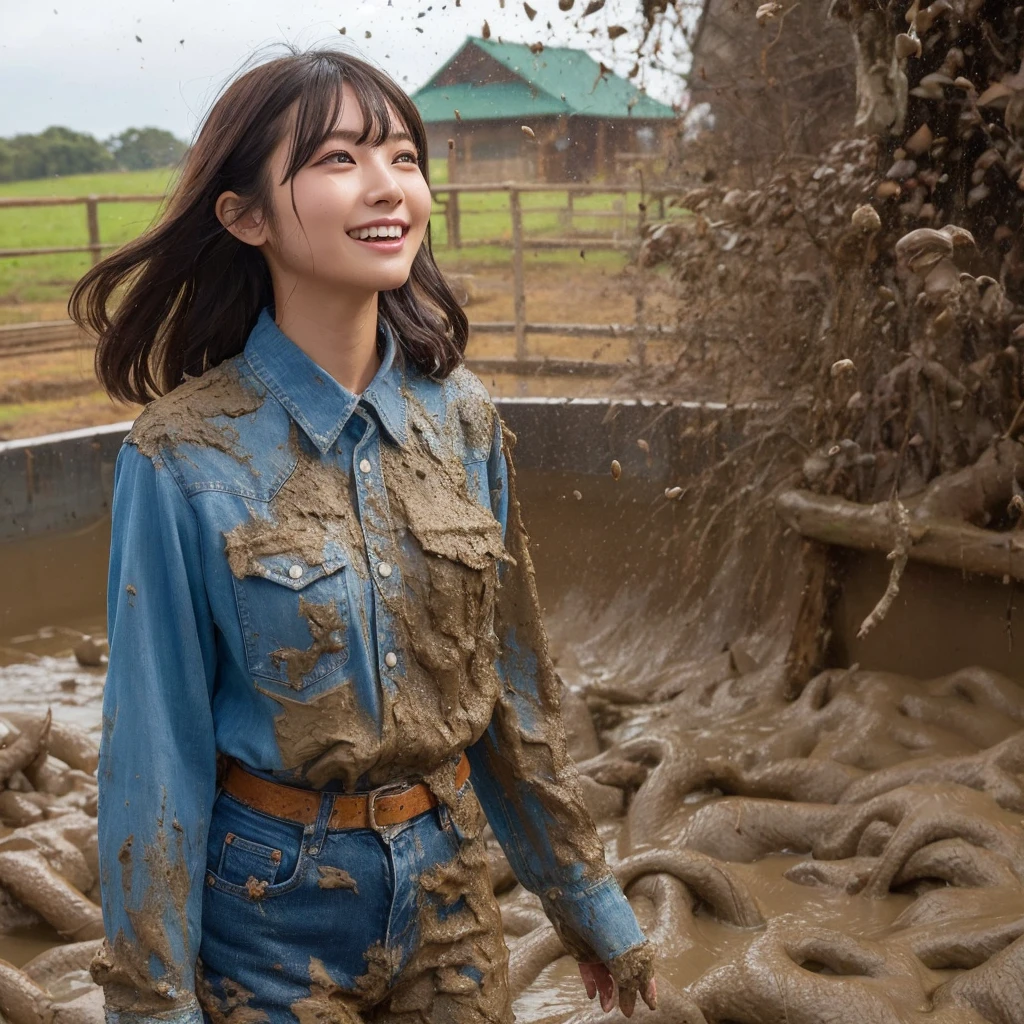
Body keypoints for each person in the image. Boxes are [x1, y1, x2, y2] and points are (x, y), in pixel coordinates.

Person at [70, 47, 658, 1024]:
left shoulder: (463, 420)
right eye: (339, 160)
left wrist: (585, 898)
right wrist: (153, 1002)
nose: (387, 187)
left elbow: (510, 687)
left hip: (450, 892)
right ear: (246, 214)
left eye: (402, 156)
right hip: (263, 915)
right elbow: (153, 755)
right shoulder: (181, 456)